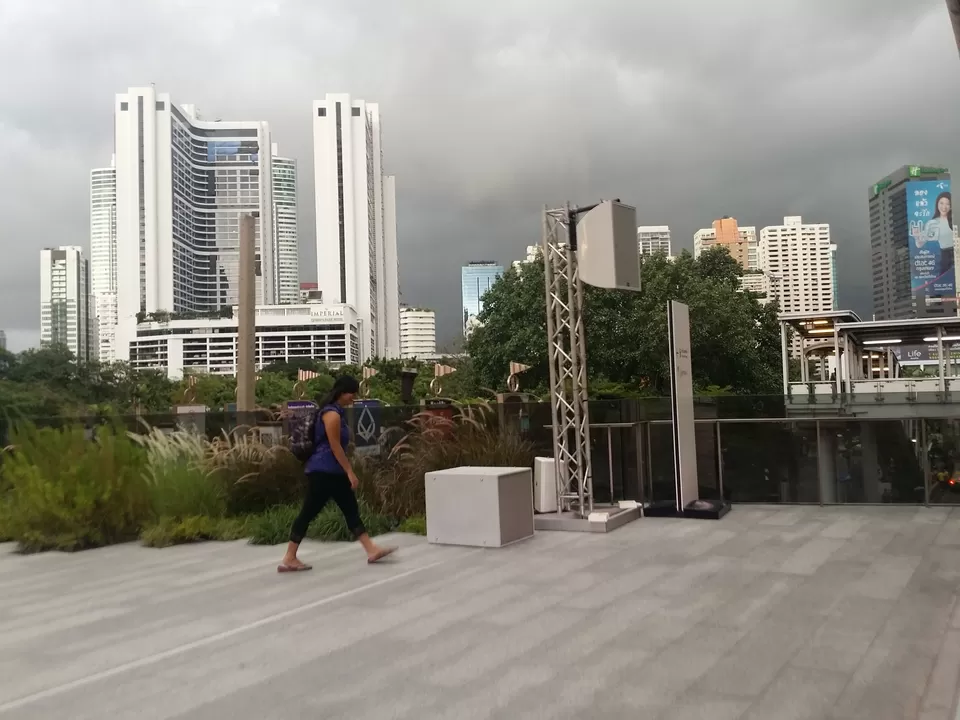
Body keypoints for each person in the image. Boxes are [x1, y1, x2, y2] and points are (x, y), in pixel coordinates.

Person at [278, 375, 396, 572]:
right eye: (352, 393)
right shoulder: (331, 415)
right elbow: (334, 446)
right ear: (342, 393)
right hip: (324, 471)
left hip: (332, 471)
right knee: (308, 512)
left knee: (350, 509)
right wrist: (350, 471)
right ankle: (290, 557)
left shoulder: (336, 412)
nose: (353, 397)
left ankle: (371, 549)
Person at [913, 191, 954, 280]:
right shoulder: (933, 223)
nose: (944, 207)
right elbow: (919, 244)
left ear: (951, 206)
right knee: (947, 282)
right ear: (937, 204)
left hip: (957, 251)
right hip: (946, 256)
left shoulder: (955, 218)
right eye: (941, 203)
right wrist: (917, 237)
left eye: (947, 204)